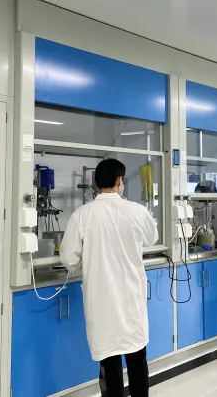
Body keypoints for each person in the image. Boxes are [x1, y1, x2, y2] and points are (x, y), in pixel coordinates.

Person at [60, 158, 158, 397]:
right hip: (131, 303)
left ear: (96, 184)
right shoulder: (137, 211)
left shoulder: (82, 215)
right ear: (120, 181)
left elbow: (69, 259)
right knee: (137, 361)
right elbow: (152, 238)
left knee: (109, 365)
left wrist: (87, 261)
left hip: (101, 305)